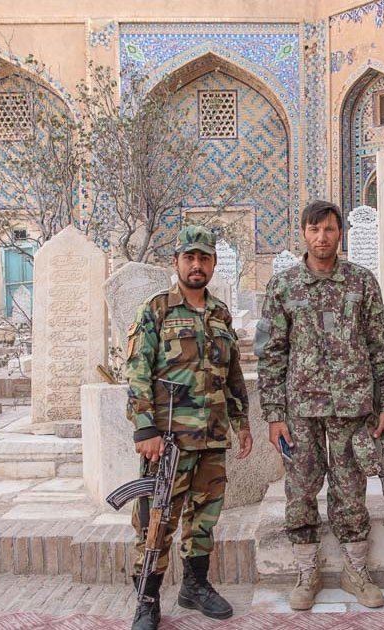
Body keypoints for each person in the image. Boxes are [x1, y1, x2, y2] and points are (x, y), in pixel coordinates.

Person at [255, 200, 384, 610]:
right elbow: (271, 354)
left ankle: (355, 572)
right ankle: (306, 572)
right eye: (314, 230)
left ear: (340, 234)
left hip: (353, 409)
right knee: (300, 490)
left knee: (351, 490)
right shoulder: (283, 287)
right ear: (303, 234)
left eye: (330, 229)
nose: (322, 237)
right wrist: (274, 415)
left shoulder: (362, 283)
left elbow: (379, 346)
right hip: (301, 412)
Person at [124, 225, 253, 629]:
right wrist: (144, 429)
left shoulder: (220, 314)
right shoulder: (157, 309)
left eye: (204, 258)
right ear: (176, 261)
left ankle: (195, 587)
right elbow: (137, 371)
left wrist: (241, 423)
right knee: (156, 520)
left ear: (213, 263)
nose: (197, 266)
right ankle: (147, 599)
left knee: (203, 519)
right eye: (189, 258)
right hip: (167, 441)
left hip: (212, 437)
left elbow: (233, 374)